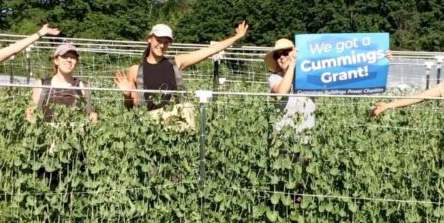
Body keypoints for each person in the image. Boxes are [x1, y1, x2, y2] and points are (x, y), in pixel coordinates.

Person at [114, 21, 249, 128]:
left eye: (166, 42)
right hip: (149, 127)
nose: (162, 45)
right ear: (150, 39)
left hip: (177, 123)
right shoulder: (135, 70)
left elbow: (209, 51)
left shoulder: (176, 63)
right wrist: (126, 95)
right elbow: (131, 107)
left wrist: (236, 37)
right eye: (159, 40)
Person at [26, 43, 98, 124]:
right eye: (64, 56)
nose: (69, 60)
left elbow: (89, 113)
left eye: (73, 57)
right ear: (56, 60)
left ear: (76, 62)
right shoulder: (41, 85)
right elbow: (33, 111)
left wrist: (93, 115)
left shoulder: (83, 86)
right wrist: (29, 113)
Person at [265, 38, 315, 136]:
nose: (281, 57)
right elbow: (281, 92)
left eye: (285, 53)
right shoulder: (274, 78)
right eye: (277, 56)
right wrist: (292, 63)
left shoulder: (308, 75)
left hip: (306, 134)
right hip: (283, 135)